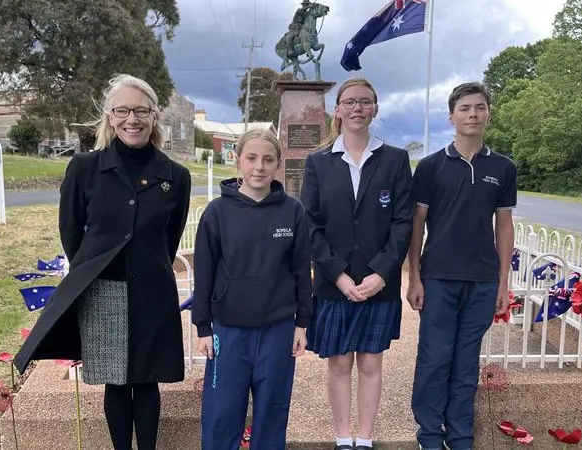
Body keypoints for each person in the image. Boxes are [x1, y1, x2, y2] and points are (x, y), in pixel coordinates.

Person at [13, 74, 192, 450]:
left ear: (154, 116)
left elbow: (169, 238)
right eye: (123, 110)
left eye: (141, 110)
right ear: (110, 117)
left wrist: (146, 263)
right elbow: (72, 233)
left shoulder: (176, 176)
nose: (132, 119)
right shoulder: (84, 168)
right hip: (104, 289)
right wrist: (95, 267)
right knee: (115, 378)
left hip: (152, 289)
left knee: (146, 378)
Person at [300, 76, 414, 450]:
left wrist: (382, 274)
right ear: (338, 110)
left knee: (370, 362)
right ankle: (342, 436)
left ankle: (364, 438)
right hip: (334, 285)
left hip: (378, 285)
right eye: (349, 102)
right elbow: (311, 224)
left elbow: (403, 223)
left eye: (365, 102)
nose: (357, 108)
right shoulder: (318, 162)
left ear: (375, 109)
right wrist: (338, 275)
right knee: (338, 363)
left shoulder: (395, 160)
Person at [406, 82, 517, 450]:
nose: (473, 114)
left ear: (488, 113)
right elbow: (417, 225)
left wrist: (503, 282)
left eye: (480, 107)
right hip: (438, 277)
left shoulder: (502, 167)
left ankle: (460, 435)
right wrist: (414, 278)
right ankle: (429, 434)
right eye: (465, 108)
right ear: (451, 116)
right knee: (435, 358)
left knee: (466, 362)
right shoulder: (431, 166)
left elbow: (504, 224)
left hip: (482, 280)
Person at [191, 128, 313, 450]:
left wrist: (302, 323)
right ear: (237, 160)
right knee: (222, 414)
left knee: (272, 412)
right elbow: (204, 273)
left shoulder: (293, 211)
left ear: (277, 165)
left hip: (278, 329)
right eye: (252, 158)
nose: (259, 167)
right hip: (229, 332)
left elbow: (302, 270)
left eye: (268, 159)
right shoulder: (217, 213)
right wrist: (203, 326)